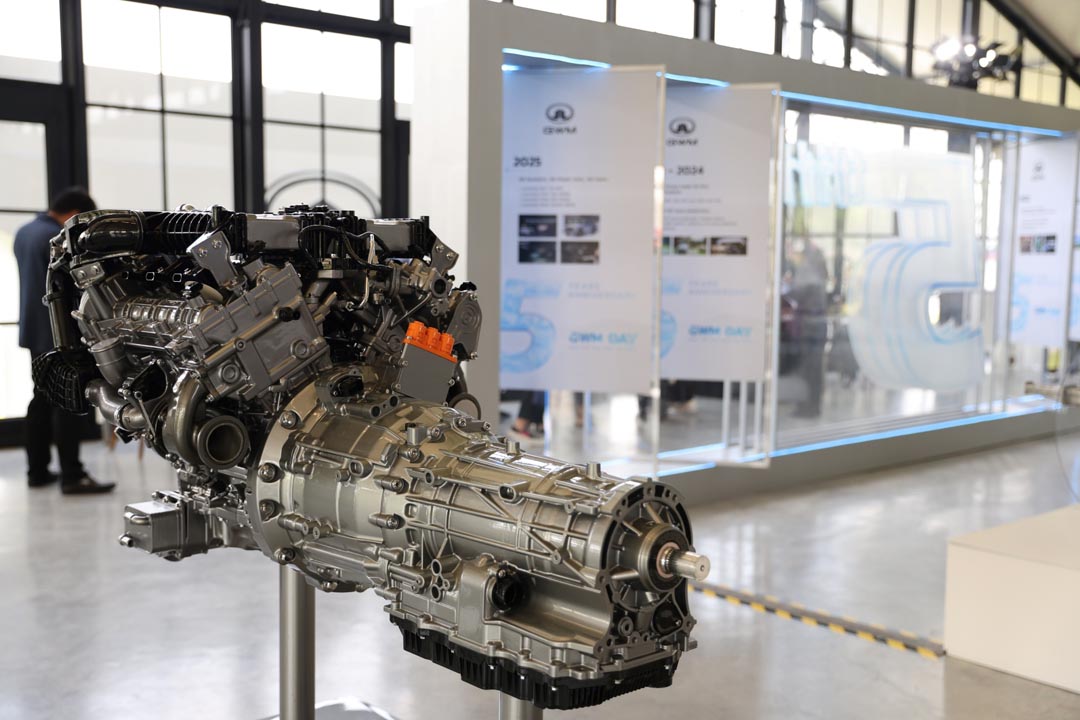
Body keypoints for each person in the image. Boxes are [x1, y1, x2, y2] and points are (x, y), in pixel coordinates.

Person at [15, 187, 114, 494]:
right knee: (68, 400)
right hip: (58, 331)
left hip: (34, 328)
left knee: (41, 399)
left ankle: (37, 471)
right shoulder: (56, 238)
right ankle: (72, 475)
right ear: (74, 214)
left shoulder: (25, 232)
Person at [790, 236, 829, 418]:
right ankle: (812, 405)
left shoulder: (809, 273)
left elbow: (798, 294)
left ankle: (808, 406)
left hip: (809, 327)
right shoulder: (818, 273)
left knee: (808, 369)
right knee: (813, 369)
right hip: (816, 325)